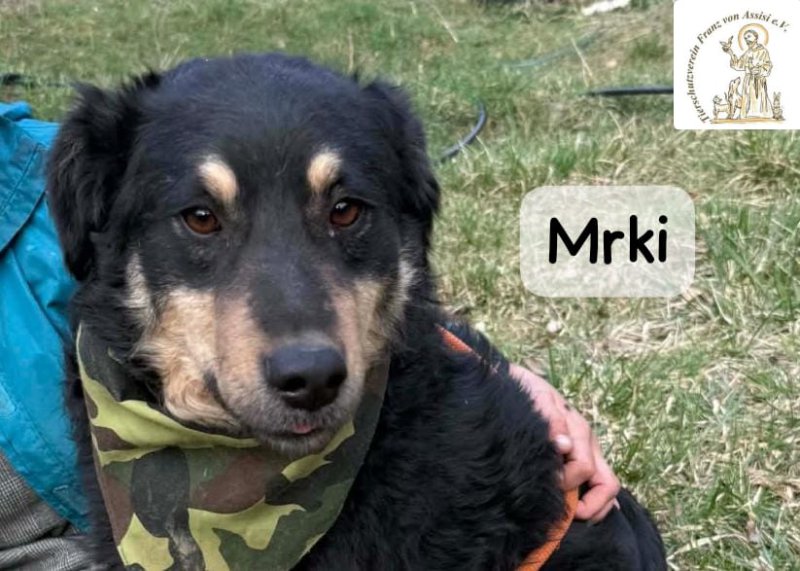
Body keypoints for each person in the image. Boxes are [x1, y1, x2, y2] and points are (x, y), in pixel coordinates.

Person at [0, 100, 619, 569]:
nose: (303, 353)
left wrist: (488, 371)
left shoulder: (42, 160)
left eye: (343, 212)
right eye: (203, 219)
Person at [723, 29, 773, 118]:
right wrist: (730, 52)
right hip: (748, 81)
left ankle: (761, 116)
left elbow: (768, 65)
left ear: (756, 37)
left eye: (749, 37)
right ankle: (746, 115)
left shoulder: (763, 51)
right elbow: (738, 65)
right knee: (748, 100)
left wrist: (760, 70)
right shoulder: (747, 52)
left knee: (759, 100)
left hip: (758, 81)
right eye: (745, 38)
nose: (747, 40)